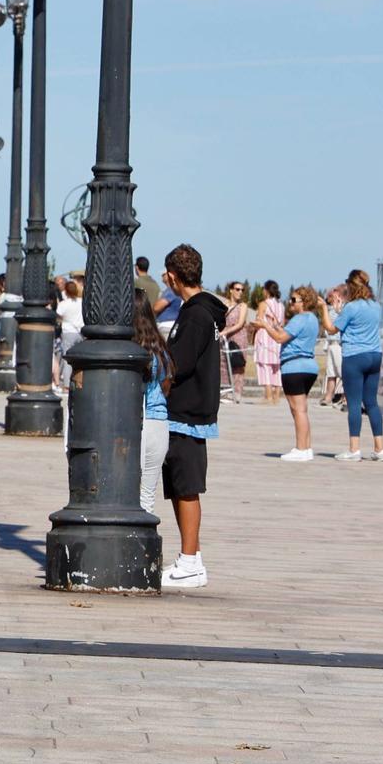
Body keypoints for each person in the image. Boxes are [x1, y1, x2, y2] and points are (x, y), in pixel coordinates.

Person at [159, 244, 225, 591]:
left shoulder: (196, 315)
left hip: (187, 411)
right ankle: (190, 558)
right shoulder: (200, 312)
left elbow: (179, 364)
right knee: (179, 486)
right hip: (188, 410)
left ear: (172, 275)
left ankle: (190, 561)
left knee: (186, 488)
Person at [252, 285, 322, 461]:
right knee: (302, 409)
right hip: (309, 366)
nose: (290, 303)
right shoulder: (313, 319)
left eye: (293, 300)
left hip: (294, 366)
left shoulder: (300, 318)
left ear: (303, 302)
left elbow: (280, 338)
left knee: (297, 409)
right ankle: (307, 447)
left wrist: (265, 325)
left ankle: (301, 448)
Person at [324, 268, 383, 462]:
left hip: (354, 357)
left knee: (353, 404)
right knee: (372, 403)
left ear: (352, 286)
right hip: (374, 355)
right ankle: (379, 449)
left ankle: (354, 449)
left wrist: (326, 309)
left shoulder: (351, 307)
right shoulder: (375, 306)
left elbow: (332, 328)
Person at [136, 292, 171, 514]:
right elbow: (165, 384)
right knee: (147, 496)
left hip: (137, 426)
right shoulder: (160, 348)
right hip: (159, 423)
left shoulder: (131, 350)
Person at [251, 280, 285, 404]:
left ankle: (268, 396)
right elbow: (282, 323)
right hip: (276, 337)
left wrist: (253, 324)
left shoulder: (263, 304)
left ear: (266, 290)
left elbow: (259, 321)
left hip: (265, 337)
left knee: (265, 366)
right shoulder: (281, 305)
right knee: (277, 368)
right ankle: (277, 396)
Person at [219, 281, 250, 401]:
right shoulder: (225, 304)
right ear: (231, 290)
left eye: (242, 290)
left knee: (238, 363)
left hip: (238, 336)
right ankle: (224, 391)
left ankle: (237, 392)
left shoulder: (243, 306)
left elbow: (240, 323)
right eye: (237, 289)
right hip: (224, 338)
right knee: (223, 363)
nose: (240, 292)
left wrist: (225, 332)